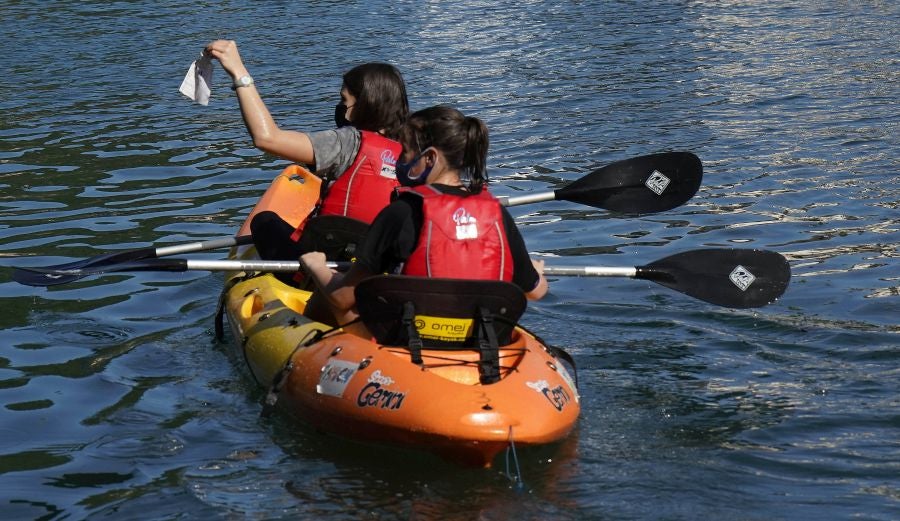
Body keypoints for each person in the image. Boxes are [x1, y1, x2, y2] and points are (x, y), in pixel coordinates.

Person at [300, 105, 548, 331]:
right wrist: (534, 272)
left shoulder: (402, 212)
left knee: (327, 295)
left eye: (405, 152)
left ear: (429, 159)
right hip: (479, 341)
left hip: (413, 343)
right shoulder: (496, 213)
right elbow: (536, 292)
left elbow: (344, 298)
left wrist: (317, 267)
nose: (399, 160)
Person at [203, 40, 409, 271]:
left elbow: (267, 138)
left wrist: (239, 72)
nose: (340, 107)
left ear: (364, 104)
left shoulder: (347, 142)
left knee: (264, 221)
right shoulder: (416, 150)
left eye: (344, 100)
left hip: (330, 262)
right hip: (382, 264)